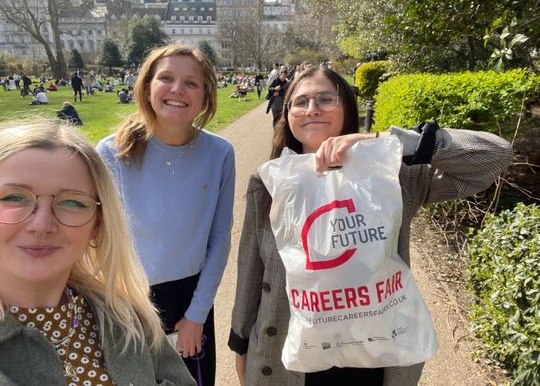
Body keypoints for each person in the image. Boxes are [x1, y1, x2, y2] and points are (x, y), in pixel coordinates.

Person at [228, 66, 513, 386]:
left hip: (374, 361)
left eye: (325, 99)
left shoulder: (391, 174)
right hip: (290, 361)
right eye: (301, 101)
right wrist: (240, 346)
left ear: (348, 107)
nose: (312, 109)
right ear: (287, 113)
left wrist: (387, 140)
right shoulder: (269, 182)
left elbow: (493, 156)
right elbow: (250, 273)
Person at [0, 119, 196, 385]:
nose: (42, 225)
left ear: (98, 225)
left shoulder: (127, 320)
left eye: (72, 202)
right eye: (13, 197)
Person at [97, 44, 235, 386]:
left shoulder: (220, 153)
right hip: (125, 297)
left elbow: (218, 241)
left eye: (192, 83)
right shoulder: (110, 152)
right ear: (147, 87)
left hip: (188, 301)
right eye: (167, 78)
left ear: (205, 97)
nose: (177, 89)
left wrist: (196, 315)